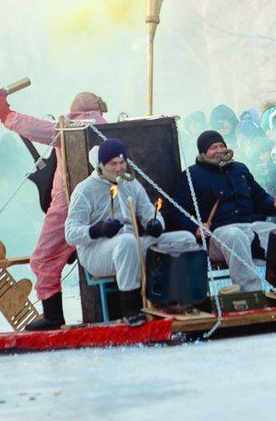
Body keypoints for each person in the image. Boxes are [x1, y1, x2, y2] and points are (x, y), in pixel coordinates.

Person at [0, 89, 108, 330]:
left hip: (68, 205)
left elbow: (32, 126)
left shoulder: (68, 129)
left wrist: (6, 115)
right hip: (104, 203)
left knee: (44, 259)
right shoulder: (109, 128)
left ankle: (53, 317)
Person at [65, 138, 198, 326]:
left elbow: (149, 212)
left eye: (122, 163)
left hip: (130, 243)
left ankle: (180, 298)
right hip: (96, 251)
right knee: (126, 242)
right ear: (101, 165)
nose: (119, 168)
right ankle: (131, 309)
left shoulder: (131, 183)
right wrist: (98, 229)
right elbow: (70, 233)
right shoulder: (85, 189)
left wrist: (155, 223)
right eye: (113, 164)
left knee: (184, 238)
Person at [168, 130, 276, 291]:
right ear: (203, 152)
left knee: (274, 231)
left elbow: (259, 198)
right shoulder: (192, 175)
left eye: (221, 146)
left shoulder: (239, 169)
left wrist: (275, 204)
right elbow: (177, 209)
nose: (219, 150)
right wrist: (195, 228)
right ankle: (250, 293)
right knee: (234, 235)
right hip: (218, 235)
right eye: (213, 147)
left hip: (249, 227)